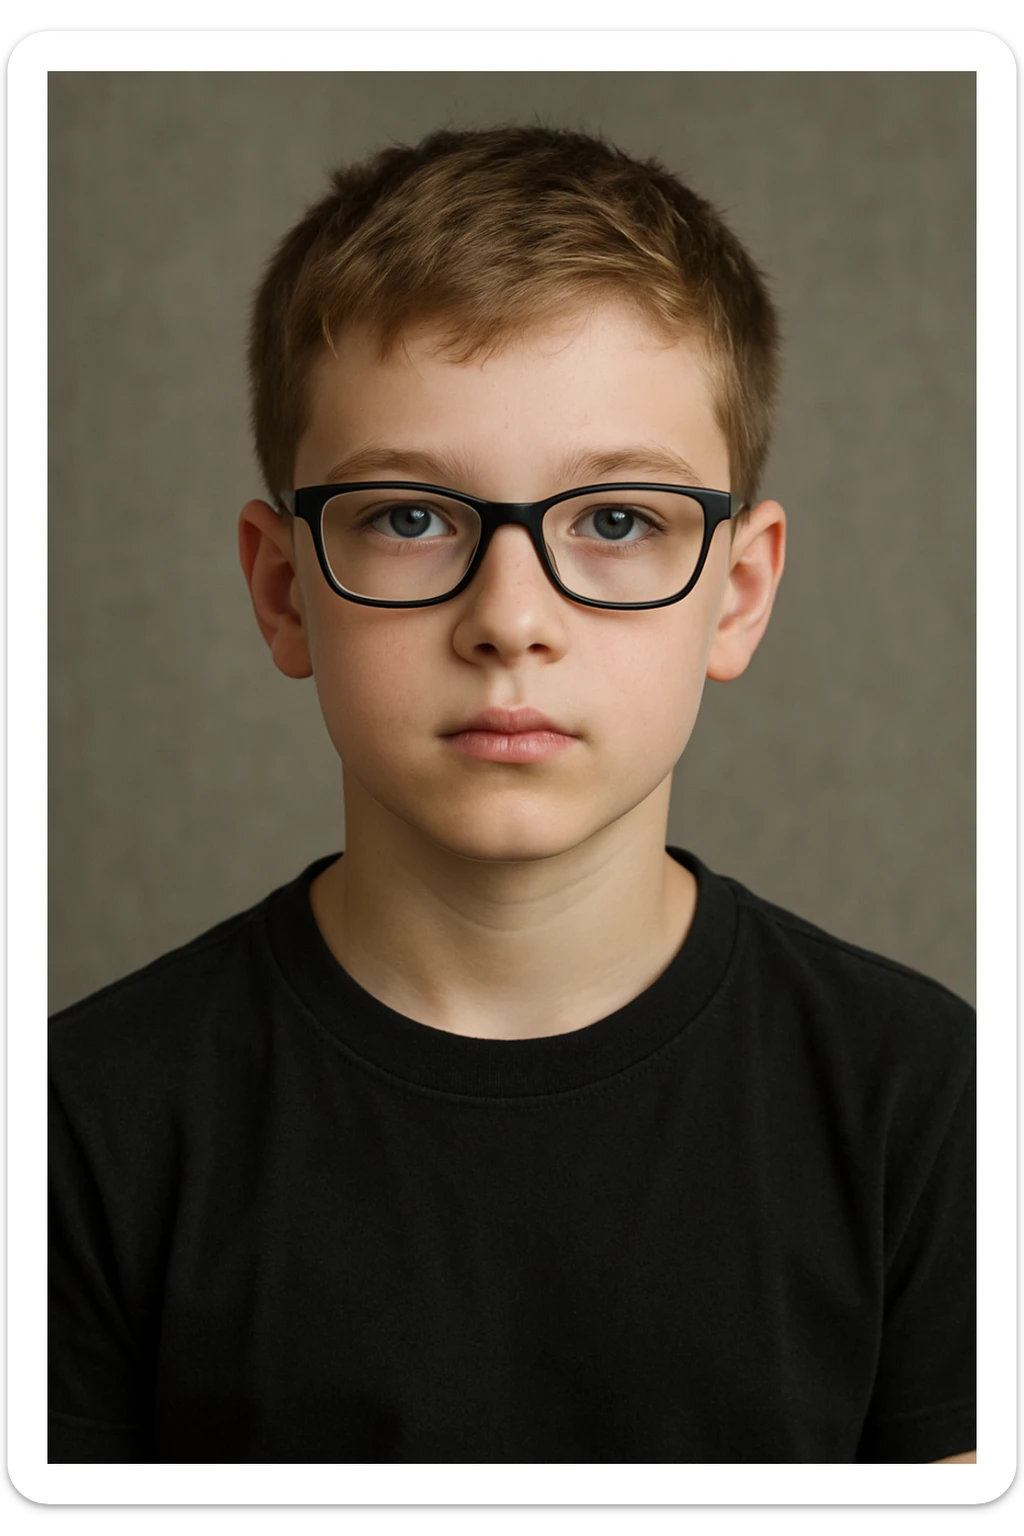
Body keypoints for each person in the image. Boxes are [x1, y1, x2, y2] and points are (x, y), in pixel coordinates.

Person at [48, 125, 975, 1465]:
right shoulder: (81, 1129)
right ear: (283, 588)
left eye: (617, 521)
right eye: (410, 517)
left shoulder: (930, 1110)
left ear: (738, 592)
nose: (511, 620)